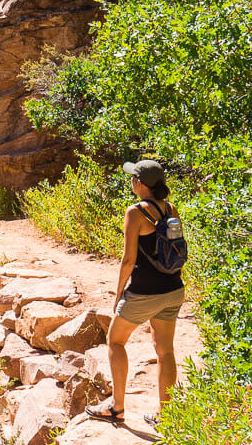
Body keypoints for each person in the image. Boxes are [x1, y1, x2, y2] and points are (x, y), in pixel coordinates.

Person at [85, 160, 184, 428]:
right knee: (165, 351)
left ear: (140, 184)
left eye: (132, 178)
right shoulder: (171, 209)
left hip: (143, 292)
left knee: (115, 341)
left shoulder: (135, 212)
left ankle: (116, 407)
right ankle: (167, 416)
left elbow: (128, 260)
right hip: (173, 289)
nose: (130, 182)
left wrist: (118, 294)